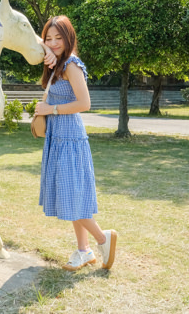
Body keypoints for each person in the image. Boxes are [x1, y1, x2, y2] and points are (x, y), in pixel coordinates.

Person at [34, 15, 117, 271]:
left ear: (69, 38)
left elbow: (85, 103)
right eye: (49, 38)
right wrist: (46, 49)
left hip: (69, 137)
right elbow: (30, 37)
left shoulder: (71, 64)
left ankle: (104, 239)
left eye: (59, 38)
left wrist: (51, 109)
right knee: (70, 195)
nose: (54, 42)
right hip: (58, 137)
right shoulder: (56, 63)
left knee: (72, 197)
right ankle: (84, 251)